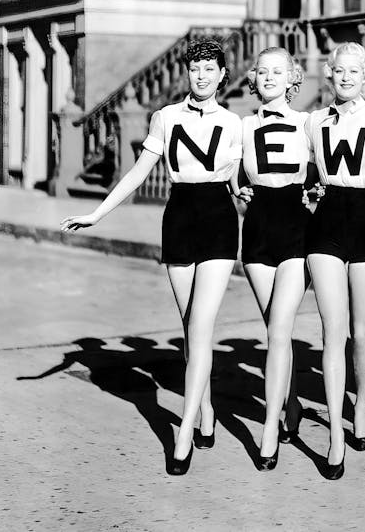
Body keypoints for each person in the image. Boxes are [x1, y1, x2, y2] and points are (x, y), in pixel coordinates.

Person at [62, 39, 242, 476]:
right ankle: (207, 410)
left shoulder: (236, 123)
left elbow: (237, 181)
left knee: (201, 326)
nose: (200, 76)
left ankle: (182, 435)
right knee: (189, 327)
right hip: (179, 218)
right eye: (194, 68)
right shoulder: (166, 118)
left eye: (208, 69)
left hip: (219, 218)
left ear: (222, 74)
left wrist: (250, 195)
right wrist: (97, 213)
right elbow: (138, 173)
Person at [305, 42, 365, 480]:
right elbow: (300, 170)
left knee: (362, 331)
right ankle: (336, 435)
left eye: (353, 71)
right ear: (330, 74)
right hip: (325, 223)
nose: (345, 77)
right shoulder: (313, 121)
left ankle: (361, 402)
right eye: (339, 70)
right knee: (332, 330)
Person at [233, 47, 315, 471]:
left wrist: (318, 194)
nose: (268, 77)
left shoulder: (309, 124)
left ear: (291, 79)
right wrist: (238, 191)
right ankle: (294, 401)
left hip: (296, 228)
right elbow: (231, 172)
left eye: (276, 71)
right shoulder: (243, 125)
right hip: (259, 229)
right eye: (262, 71)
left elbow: (330, 169)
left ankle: (269, 428)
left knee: (279, 331)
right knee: (275, 328)